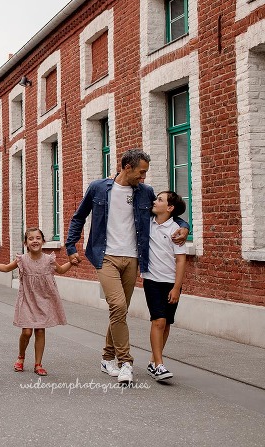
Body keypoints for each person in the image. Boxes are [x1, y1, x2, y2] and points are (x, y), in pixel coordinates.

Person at [66, 149, 189, 384]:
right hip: (106, 256)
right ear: (126, 167)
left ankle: (107, 357)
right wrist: (71, 247)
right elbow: (78, 216)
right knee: (118, 306)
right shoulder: (98, 188)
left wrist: (184, 226)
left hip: (133, 259)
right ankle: (125, 363)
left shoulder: (145, 192)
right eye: (141, 173)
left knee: (119, 311)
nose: (143, 178)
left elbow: (166, 215)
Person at [0, 227, 71, 376]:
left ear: (43, 241)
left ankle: (38, 364)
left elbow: (61, 270)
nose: (35, 241)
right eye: (31, 238)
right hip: (27, 299)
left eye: (38, 238)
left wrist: (72, 262)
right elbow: (7, 268)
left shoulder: (49, 260)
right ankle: (21, 356)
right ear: (26, 243)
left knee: (40, 331)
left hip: (44, 300)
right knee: (27, 332)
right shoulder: (22, 260)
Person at [143, 191, 187, 381]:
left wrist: (177, 287)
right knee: (158, 321)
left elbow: (181, 260)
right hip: (152, 280)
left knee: (167, 323)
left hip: (171, 283)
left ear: (170, 208)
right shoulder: (147, 223)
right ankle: (160, 365)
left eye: (160, 200)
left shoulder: (176, 229)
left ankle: (154, 361)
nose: (155, 201)